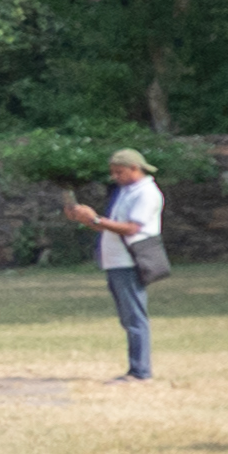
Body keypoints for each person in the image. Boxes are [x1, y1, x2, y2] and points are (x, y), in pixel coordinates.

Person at [61, 151, 163, 378]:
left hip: (130, 261)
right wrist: (85, 218)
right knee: (128, 318)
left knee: (135, 317)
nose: (115, 176)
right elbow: (111, 226)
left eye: (119, 171)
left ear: (135, 168)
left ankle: (140, 371)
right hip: (116, 262)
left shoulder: (146, 193)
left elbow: (132, 228)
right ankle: (136, 368)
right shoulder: (127, 192)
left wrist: (96, 219)